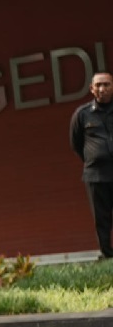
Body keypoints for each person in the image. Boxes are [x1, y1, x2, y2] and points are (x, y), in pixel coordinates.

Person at [70, 71, 113, 259]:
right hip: (96, 175)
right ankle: (107, 253)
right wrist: (95, 158)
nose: (102, 89)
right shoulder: (82, 114)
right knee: (101, 217)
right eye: (98, 85)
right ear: (91, 89)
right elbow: (76, 144)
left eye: (107, 84)